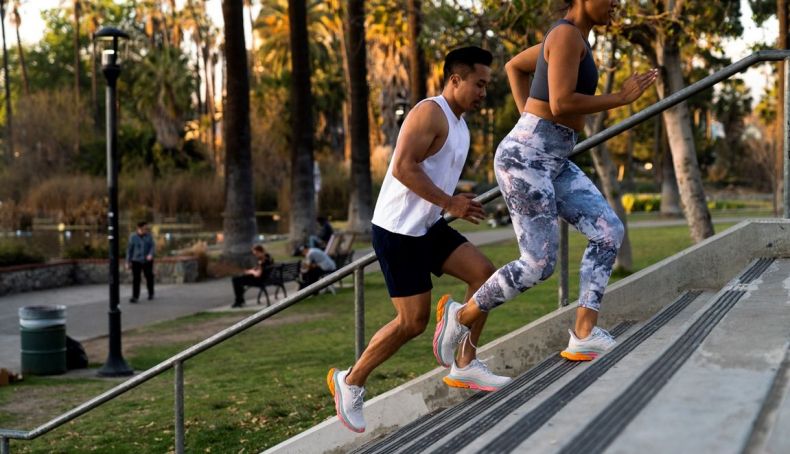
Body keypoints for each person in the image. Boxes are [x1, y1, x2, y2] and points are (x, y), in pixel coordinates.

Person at [434, 0, 658, 368]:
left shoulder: (572, 39)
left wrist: (526, 115)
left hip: (552, 159)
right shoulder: (567, 35)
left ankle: (584, 334)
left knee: (607, 231)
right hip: (526, 158)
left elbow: (515, 66)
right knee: (538, 263)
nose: (616, 4)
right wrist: (620, 98)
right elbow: (561, 102)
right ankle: (459, 318)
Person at [327, 46, 511, 434]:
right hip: (397, 231)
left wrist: (456, 198)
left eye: (486, 86)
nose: (483, 93)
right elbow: (403, 167)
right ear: (455, 80)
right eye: (478, 84)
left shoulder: (460, 125)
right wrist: (450, 202)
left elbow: (431, 169)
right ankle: (351, 381)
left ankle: (464, 362)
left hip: (427, 225)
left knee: (484, 275)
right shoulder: (429, 112)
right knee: (412, 323)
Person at [126, 221, 155, 303]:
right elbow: (129, 250)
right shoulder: (133, 237)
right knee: (136, 279)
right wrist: (128, 261)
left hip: (147, 260)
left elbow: (152, 246)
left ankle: (151, 293)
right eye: (145, 228)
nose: (146, 230)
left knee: (149, 276)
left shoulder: (149, 236)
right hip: (136, 260)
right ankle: (135, 297)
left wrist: (150, 254)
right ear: (139, 228)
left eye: (147, 228)